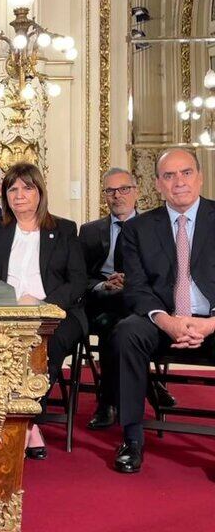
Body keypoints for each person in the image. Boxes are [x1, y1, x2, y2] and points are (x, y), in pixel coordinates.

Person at [110, 149, 215, 474]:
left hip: (212, 321)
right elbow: (137, 289)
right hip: (162, 320)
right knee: (126, 332)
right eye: (169, 176)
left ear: (199, 177)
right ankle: (132, 437)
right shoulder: (138, 229)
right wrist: (168, 322)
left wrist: (210, 325)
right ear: (157, 184)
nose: (178, 182)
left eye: (185, 173)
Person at [0, 162, 87, 460]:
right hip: (6, 313)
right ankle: (19, 424)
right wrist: (6, 303)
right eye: (12, 189)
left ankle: (25, 424)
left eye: (27, 188)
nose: (19, 195)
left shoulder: (63, 229)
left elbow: (77, 282)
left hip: (55, 312)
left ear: (40, 192)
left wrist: (41, 305)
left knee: (45, 346)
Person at [78, 168, 149, 430]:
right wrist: (102, 285)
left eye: (124, 189)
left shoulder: (153, 228)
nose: (117, 196)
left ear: (136, 191)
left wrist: (132, 284)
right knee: (113, 325)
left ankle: (142, 389)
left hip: (140, 302)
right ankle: (107, 401)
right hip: (102, 302)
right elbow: (77, 277)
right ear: (104, 196)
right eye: (111, 191)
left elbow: (163, 275)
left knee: (125, 324)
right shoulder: (89, 231)